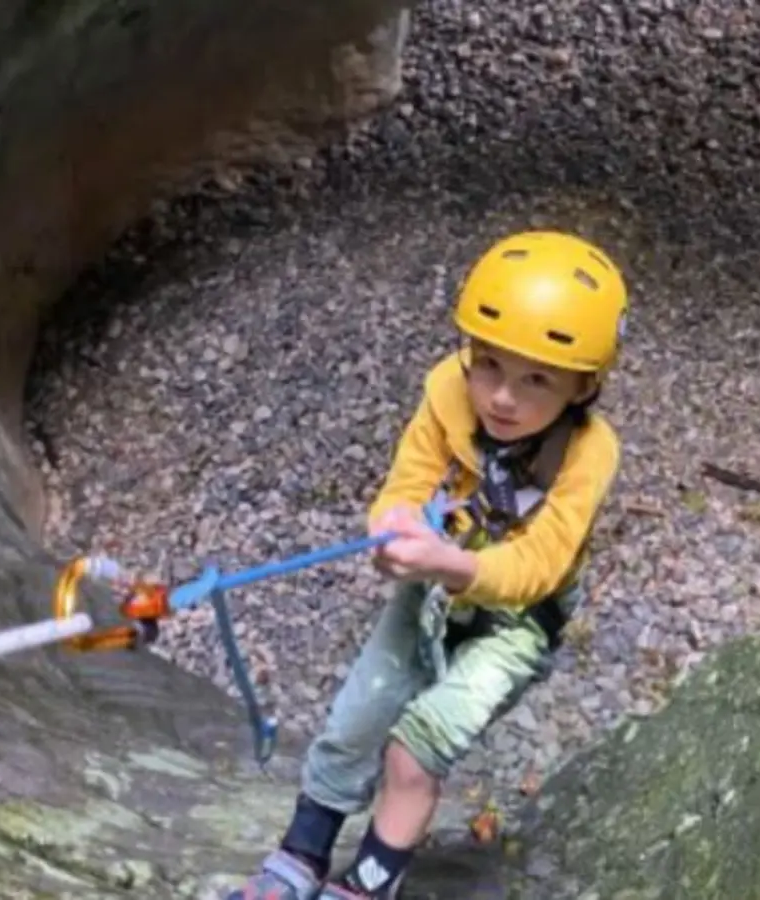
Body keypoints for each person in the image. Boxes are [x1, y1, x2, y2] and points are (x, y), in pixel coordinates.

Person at [228, 230, 629, 900]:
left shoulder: (589, 454)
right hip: (436, 589)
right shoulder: (448, 392)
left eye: (537, 380)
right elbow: (408, 483)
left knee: (417, 745)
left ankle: (369, 884)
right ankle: (302, 852)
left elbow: (540, 561)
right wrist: (392, 528)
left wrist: (450, 563)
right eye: (491, 366)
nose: (502, 397)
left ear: (583, 387)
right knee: (359, 714)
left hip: (514, 624)